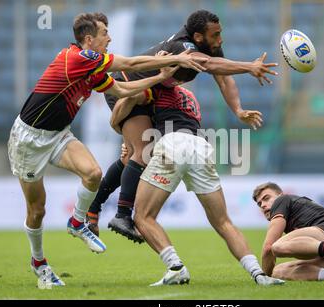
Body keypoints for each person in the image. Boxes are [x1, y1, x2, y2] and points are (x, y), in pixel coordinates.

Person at [7, 12, 207, 288]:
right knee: (37, 210)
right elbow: (130, 63)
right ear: (89, 39)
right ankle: (39, 262)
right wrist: (174, 59)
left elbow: (122, 89)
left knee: (93, 173)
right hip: (28, 140)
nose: (109, 37)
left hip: (58, 135)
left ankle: (78, 222)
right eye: (104, 33)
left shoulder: (92, 70)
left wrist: (159, 77)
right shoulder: (79, 58)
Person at [86, 9, 278, 242]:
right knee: (143, 151)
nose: (220, 39)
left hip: (150, 92)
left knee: (131, 158)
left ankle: (94, 207)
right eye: (215, 35)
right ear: (198, 37)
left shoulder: (209, 45)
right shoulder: (182, 46)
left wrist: (237, 110)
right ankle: (122, 215)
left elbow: (224, 78)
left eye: (220, 33)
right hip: (128, 86)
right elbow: (208, 64)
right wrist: (249, 67)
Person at [115, 74, 284, 286]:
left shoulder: (154, 87)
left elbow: (125, 104)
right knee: (223, 222)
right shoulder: (189, 95)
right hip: (200, 146)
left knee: (142, 217)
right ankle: (259, 274)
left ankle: (175, 267)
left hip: (173, 143)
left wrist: (121, 129)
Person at [252, 182, 324, 281]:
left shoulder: (282, 200)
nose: (263, 205)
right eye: (259, 204)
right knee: (278, 271)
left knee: (277, 247)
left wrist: (263, 277)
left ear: (280, 195)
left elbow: (268, 248)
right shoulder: (293, 209)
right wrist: (269, 276)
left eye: (266, 198)